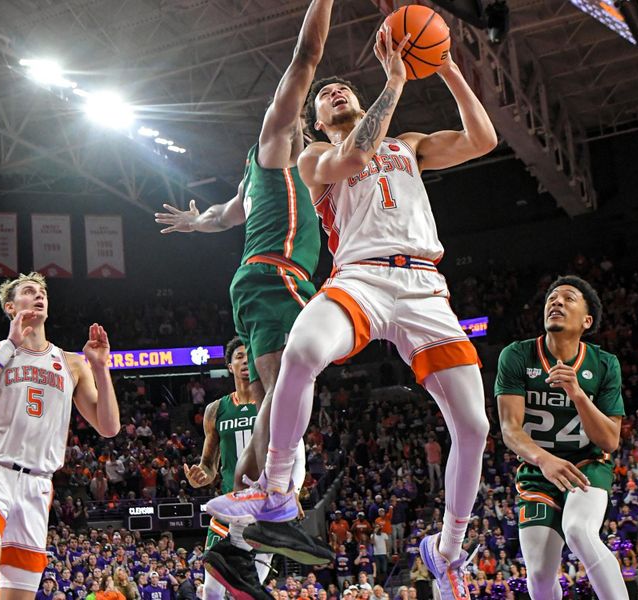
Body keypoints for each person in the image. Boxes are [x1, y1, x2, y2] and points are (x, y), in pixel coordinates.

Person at [206, 20, 497, 599]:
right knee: (304, 349)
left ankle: (446, 552)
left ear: (360, 98)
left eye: (343, 88)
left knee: (474, 425)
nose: (335, 91)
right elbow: (357, 152)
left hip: (423, 287)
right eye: (325, 95)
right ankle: (278, 487)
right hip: (359, 278)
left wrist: (446, 68)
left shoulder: (409, 144)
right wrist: (395, 81)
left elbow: (482, 139)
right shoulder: (313, 156)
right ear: (315, 120)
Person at [154, 0, 336, 584]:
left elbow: (221, 215)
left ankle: (238, 531)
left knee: (274, 401)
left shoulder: (253, 177)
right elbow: (306, 58)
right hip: (280, 275)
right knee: (296, 384)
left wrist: (192, 223)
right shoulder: (279, 146)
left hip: (252, 285)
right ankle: (274, 503)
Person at [0, 272, 120, 600]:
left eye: (43, 291)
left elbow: (109, 427)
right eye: (30, 291)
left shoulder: (71, 363)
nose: (39, 295)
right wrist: (11, 345)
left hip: (37, 485)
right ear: (11, 306)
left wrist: (100, 367)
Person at [495, 275, 627, 600]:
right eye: (552, 298)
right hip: (538, 470)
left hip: (587, 463)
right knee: (539, 575)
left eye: (568, 298)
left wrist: (578, 394)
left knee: (578, 530)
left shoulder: (605, 364)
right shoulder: (516, 355)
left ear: (587, 320)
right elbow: (510, 429)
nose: (556, 302)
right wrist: (544, 459)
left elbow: (610, 441)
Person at [183, 338, 280, 600]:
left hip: (263, 511)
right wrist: (200, 476)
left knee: (247, 591)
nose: (245, 360)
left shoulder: (271, 403)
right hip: (228, 508)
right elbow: (209, 466)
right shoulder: (216, 409)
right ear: (229, 365)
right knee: (212, 591)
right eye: (239, 356)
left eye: (249, 355)